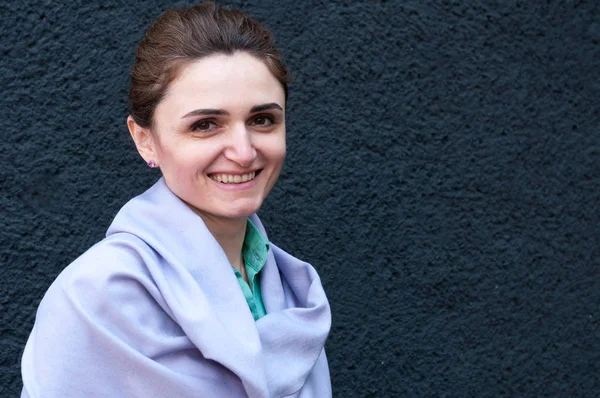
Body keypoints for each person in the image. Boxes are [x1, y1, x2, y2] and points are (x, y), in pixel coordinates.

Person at [20, 3, 332, 397]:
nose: (243, 150)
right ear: (144, 139)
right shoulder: (97, 296)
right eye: (205, 125)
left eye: (262, 120)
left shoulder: (291, 294)